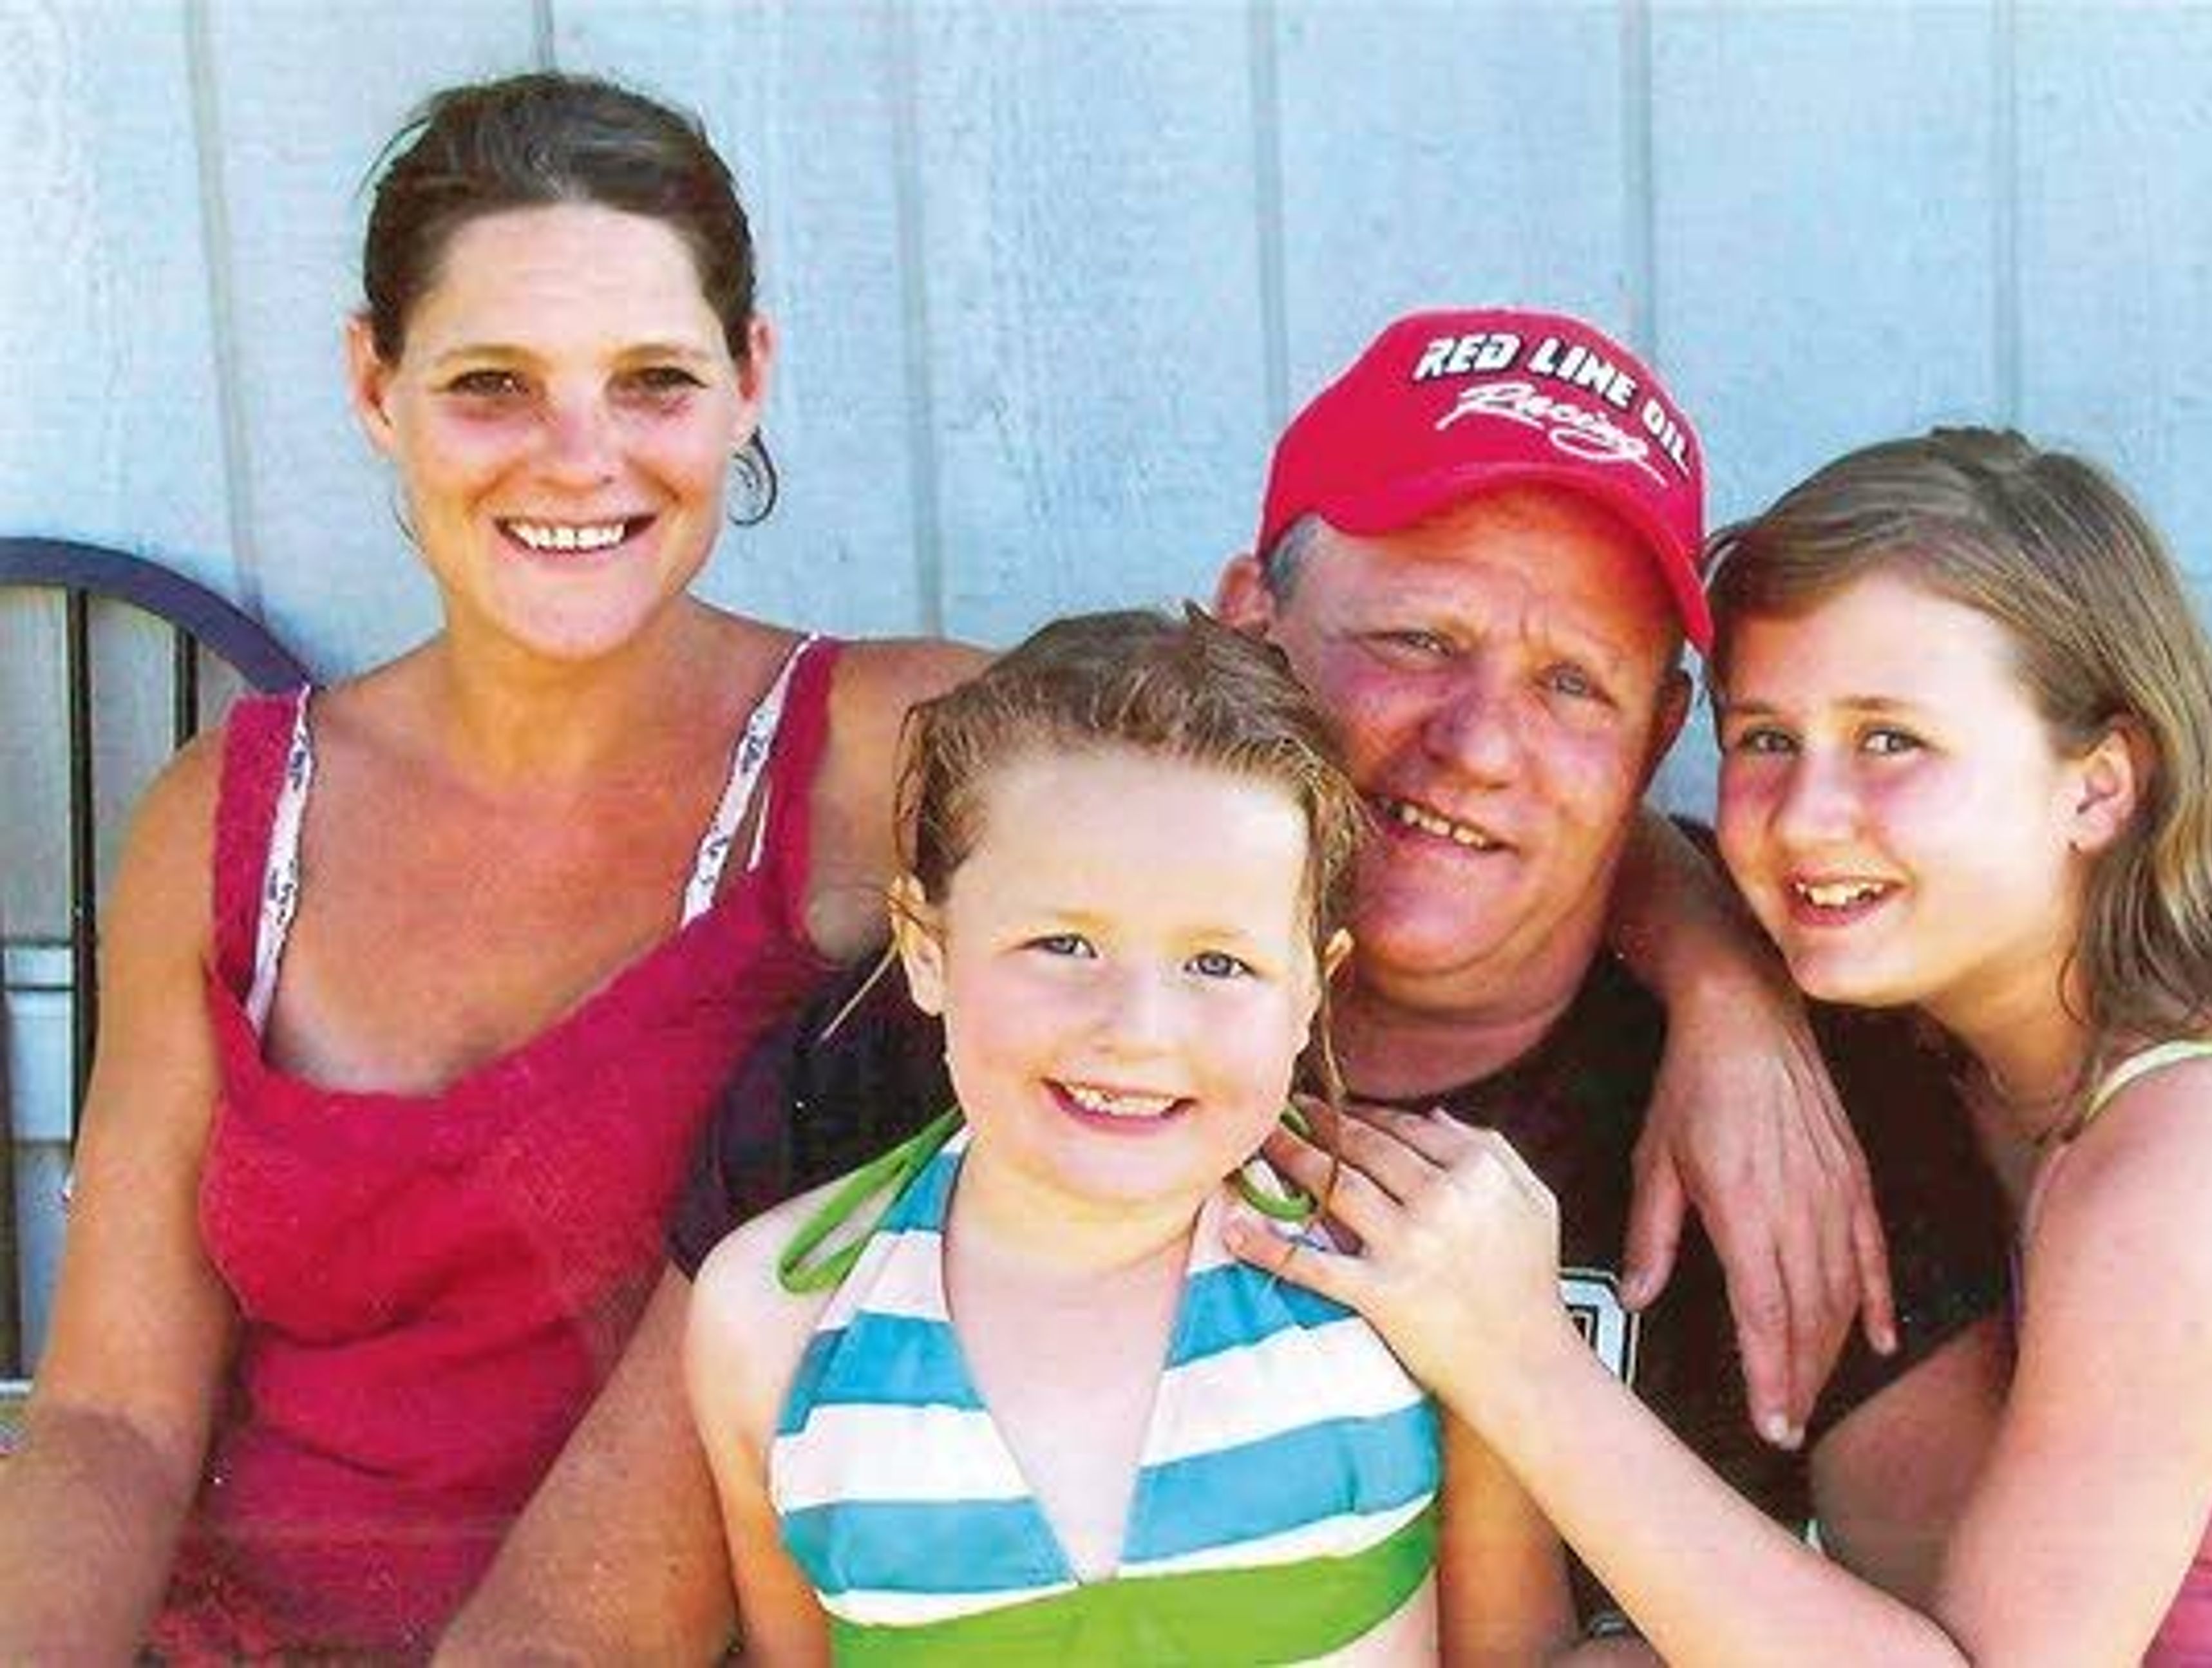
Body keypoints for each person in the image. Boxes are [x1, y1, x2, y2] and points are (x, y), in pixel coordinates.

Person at [638, 316, 2014, 1654]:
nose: (1479, 743)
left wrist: (1528, 1354)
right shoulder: (946, 1047)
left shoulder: (1820, 1103)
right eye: (1417, 640)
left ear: (1660, 735)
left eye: (1574, 686)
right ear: (1251, 621)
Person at [0, 73, 976, 1659]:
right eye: (493, 384)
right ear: (375, 386)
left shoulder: (898, 756)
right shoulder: (235, 816)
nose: (578, 459)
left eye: (653, 379)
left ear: (751, 381)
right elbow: (112, 1416)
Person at [1241, 428, 2212, 1663]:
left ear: (2099, 786)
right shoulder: (1964, 1012)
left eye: (1893, 741)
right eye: (1765, 739)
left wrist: (1520, 1361)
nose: (1807, 818)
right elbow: (1565, 829)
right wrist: (1729, 996)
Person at [690, 608, 1547, 1660]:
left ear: (1312, 990)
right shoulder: (778, 1316)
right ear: (926, 948)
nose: (1139, 1030)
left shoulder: (1406, 1271)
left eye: (1219, 964)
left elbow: (1520, 1652)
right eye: (1064, 943)